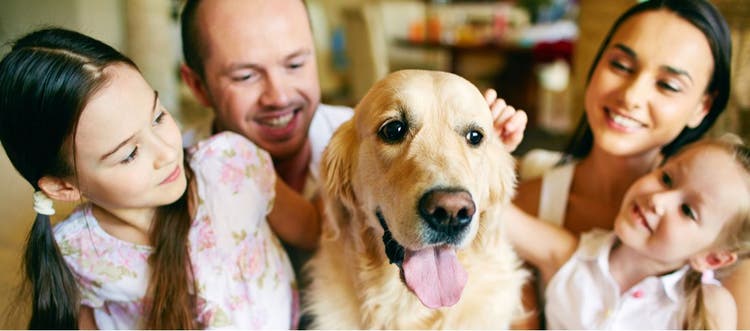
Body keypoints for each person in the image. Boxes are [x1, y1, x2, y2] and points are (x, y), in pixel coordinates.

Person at [0, 27, 321, 329]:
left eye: (158, 117)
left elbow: (314, 230)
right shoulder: (78, 252)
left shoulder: (232, 167)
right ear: (64, 186)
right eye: (129, 154)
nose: (168, 152)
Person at [178, 0, 527, 277]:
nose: (279, 96)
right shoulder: (167, 181)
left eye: (295, 65)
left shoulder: (357, 131)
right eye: (246, 75)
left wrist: (480, 153)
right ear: (197, 86)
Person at [510, 0, 747, 327]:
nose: (631, 96)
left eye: (667, 85)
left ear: (703, 107)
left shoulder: (728, 242)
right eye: (621, 65)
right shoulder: (532, 203)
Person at [507, 135, 749, 329]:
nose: (658, 200)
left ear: (712, 258)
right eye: (666, 178)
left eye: (687, 210)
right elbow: (498, 214)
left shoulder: (708, 306)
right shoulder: (569, 255)